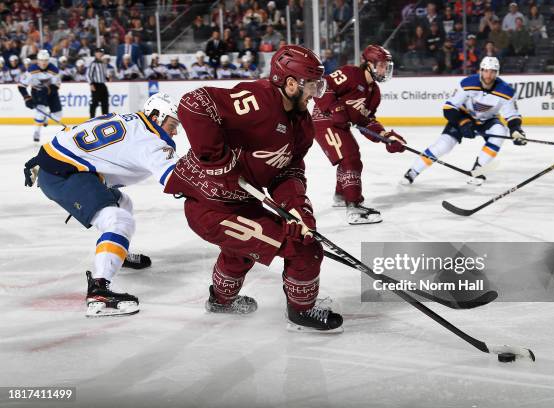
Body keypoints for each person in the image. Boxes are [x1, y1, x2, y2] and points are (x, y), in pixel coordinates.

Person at [163, 45, 343, 332]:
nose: (315, 94)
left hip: (241, 203)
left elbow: (289, 172)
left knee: (242, 250)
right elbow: (195, 103)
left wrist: (298, 211)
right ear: (291, 83)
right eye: (312, 85)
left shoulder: (303, 126)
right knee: (304, 251)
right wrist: (216, 162)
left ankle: (222, 301)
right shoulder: (259, 100)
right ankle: (301, 313)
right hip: (209, 206)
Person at [23, 93, 180, 317]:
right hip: (64, 174)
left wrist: (40, 158)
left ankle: (117, 253)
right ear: (156, 116)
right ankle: (99, 291)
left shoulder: (130, 119)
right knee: (118, 220)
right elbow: (177, 181)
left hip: (59, 165)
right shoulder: (151, 140)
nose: (175, 132)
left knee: (122, 202)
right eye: (172, 124)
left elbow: (74, 132)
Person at [312, 45, 406, 225]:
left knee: (352, 155)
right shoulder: (350, 73)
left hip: (340, 124)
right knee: (349, 158)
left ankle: (341, 195)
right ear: (368, 64)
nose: (385, 69)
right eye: (381, 65)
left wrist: (387, 137)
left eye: (387, 65)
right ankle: (353, 206)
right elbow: (322, 86)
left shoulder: (374, 93)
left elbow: (366, 121)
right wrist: (336, 108)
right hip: (324, 119)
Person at [401, 57, 527, 186]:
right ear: (480, 71)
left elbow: (512, 116)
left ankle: (479, 170)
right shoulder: (468, 83)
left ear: (497, 73)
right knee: (443, 146)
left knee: (500, 131)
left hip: (488, 120)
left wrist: (516, 130)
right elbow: (449, 108)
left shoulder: (506, 91)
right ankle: (413, 172)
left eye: (492, 71)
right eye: (486, 71)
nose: (488, 75)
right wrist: (462, 121)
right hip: (463, 116)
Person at [18, 50, 62, 142]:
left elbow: (56, 85)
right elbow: (21, 86)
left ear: (48, 60)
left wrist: (48, 90)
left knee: (57, 116)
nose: (43, 63)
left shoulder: (54, 70)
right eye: (41, 60)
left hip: (51, 93)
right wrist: (27, 98)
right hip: (37, 92)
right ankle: (37, 132)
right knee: (40, 112)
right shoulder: (31, 70)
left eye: (46, 60)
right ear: (38, 60)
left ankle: (46, 118)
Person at [88, 48, 110, 118]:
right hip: (95, 85)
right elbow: (89, 74)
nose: (100, 54)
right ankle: (91, 118)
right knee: (94, 103)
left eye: (101, 52)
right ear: (95, 54)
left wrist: (107, 77)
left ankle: (105, 117)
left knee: (105, 103)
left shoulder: (104, 63)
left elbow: (104, 74)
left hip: (102, 84)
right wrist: (91, 84)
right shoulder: (93, 63)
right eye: (98, 52)